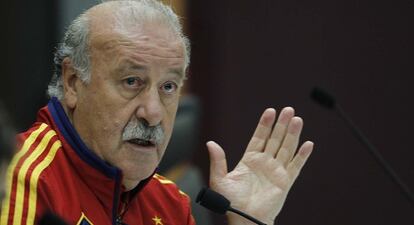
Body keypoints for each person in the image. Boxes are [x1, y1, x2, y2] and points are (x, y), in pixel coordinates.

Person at [0, 0, 314, 224]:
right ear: (72, 83)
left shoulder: (170, 204)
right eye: (131, 81)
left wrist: (247, 222)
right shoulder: (21, 183)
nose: (153, 113)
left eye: (167, 87)